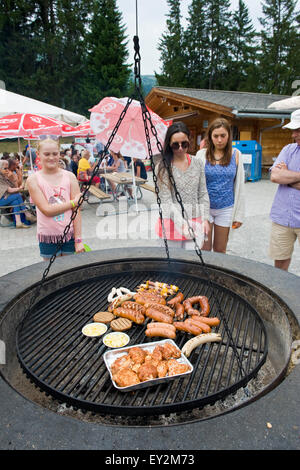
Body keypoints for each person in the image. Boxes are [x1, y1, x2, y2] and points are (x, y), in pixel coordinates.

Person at [27, 138, 85, 260]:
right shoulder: (33, 180)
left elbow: (77, 210)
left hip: (69, 234)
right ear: (38, 155)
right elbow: (47, 210)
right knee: (53, 273)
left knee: (70, 271)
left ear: (59, 153)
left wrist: (78, 239)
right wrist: (73, 202)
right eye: (47, 154)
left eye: (55, 153)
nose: (51, 157)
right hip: (48, 236)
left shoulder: (70, 177)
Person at [155, 121, 210, 249]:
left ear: (189, 141)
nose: (180, 148)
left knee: (192, 264)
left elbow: (203, 193)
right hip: (171, 224)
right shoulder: (163, 167)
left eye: (184, 144)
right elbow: (166, 201)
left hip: (195, 220)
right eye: (175, 145)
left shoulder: (198, 163)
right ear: (169, 144)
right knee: (170, 266)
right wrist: (183, 225)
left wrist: (205, 218)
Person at [196, 118, 245, 254]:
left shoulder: (236, 155)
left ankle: (217, 276)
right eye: (215, 136)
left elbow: (240, 186)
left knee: (220, 249)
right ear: (210, 137)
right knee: (204, 248)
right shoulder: (201, 155)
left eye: (223, 136)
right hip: (206, 208)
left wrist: (239, 215)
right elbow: (195, 183)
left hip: (226, 208)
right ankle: (204, 274)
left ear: (228, 136)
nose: (219, 140)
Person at [269, 109, 300, 271]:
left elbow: (281, 177)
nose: (293, 134)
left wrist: (287, 177)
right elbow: (275, 176)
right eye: (293, 130)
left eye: (298, 130)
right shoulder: (288, 149)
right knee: (280, 264)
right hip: (282, 218)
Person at [0, 160, 36, 228]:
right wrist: (20, 188)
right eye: (5, 168)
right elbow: (10, 190)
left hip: (5, 198)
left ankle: (18, 223)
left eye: (7, 168)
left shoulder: (4, 176)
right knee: (18, 195)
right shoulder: (1, 178)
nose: (7, 170)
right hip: (1, 200)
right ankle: (27, 214)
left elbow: (15, 186)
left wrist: (17, 174)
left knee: (16, 202)